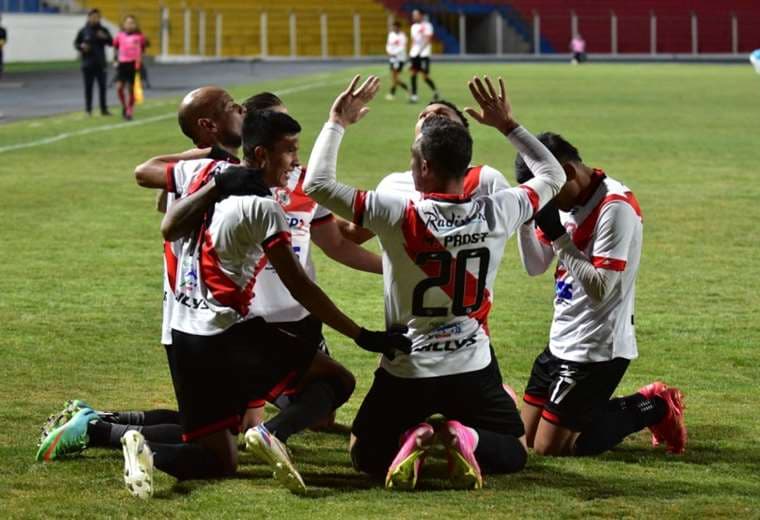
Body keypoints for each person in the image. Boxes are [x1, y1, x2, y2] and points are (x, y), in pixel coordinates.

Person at [119, 108, 410, 499]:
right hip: (229, 334)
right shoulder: (264, 208)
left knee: (220, 461)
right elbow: (301, 285)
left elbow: (165, 216)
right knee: (338, 380)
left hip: (185, 334)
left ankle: (145, 450)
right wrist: (361, 335)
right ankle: (271, 434)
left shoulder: (201, 174)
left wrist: (215, 172)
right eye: (289, 151)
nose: (295, 162)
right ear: (259, 155)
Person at [304, 74, 566, 490]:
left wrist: (337, 121)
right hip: (471, 364)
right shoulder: (499, 209)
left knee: (364, 452)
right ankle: (464, 437)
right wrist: (508, 125)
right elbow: (552, 176)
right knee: (514, 449)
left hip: (409, 366)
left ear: (423, 166)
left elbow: (316, 184)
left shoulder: (396, 212)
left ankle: (415, 436)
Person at [35, 87, 254, 463]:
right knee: (217, 449)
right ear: (209, 125)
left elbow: (153, 181)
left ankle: (100, 422)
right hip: (196, 320)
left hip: (197, 318)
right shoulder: (208, 171)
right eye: (231, 106)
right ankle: (100, 432)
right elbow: (152, 191)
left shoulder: (200, 170)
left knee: (216, 422)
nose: (242, 109)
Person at [515, 132, 687, 457]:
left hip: (598, 347)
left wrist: (557, 237)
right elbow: (536, 266)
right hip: (562, 336)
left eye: (547, 192)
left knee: (551, 448)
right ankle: (586, 412)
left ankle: (652, 405)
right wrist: (526, 223)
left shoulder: (615, 205)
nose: (547, 201)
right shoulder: (563, 196)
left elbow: (599, 288)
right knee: (526, 439)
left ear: (566, 172)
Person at [336, 99, 511, 247]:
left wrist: (508, 126)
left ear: (463, 132)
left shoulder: (485, 180)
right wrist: (312, 211)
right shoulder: (392, 185)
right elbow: (355, 234)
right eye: (423, 115)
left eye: (442, 114)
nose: (430, 116)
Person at [74, 9, 113, 116]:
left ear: (100, 18)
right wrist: (82, 47)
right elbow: (76, 43)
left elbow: (111, 42)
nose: (95, 19)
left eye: (97, 17)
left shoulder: (103, 30)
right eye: (93, 16)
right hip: (87, 64)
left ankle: (104, 110)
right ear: (89, 17)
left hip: (101, 64)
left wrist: (104, 37)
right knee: (88, 88)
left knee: (102, 88)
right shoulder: (83, 31)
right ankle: (88, 110)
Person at [113, 15, 147, 120]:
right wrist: (115, 60)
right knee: (119, 88)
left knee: (131, 89)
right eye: (128, 22)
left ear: (135, 25)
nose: (130, 25)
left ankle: (129, 111)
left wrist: (139, 63)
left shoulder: (139, 37)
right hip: (122, 64)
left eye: (132, 23)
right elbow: (115, 48)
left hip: (133, 64)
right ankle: (124, 105)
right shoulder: (119, 36)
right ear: (124, 24)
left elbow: (142, 51)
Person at [408, 9, 439, 103]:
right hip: (415, 54)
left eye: (416, 15)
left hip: (424, 54)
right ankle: (414, 95)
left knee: (424, 76)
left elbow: (428, 39)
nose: (414, 16)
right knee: (413, 74)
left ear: (421, 15)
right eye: (413, 15)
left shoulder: (428, 25)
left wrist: (421, 50)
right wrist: (411, 52)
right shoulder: (413, 27)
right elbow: (413, 41)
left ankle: (435, 91)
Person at [385, 21, 409, 101]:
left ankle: (392, 93)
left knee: (394, 77)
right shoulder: (391, 35)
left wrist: (394, 53)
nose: (394, 28)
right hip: (392, 58)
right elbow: (388, 45)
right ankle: (408, 90)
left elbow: (402, 47)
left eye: (395, 27)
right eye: (393, 27)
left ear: (399, 27)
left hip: (400, 59)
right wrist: (389, 52)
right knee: (394, 77)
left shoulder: (403, 36)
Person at [0, 15, 6, 80]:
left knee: (0, 61)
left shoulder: (2, 30)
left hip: (0, 48)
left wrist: (1, 43)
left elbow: (4, 39)